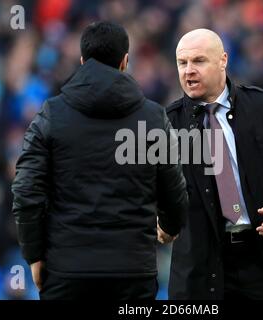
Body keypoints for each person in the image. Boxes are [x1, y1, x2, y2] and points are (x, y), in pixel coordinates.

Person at [11, 21, 188, 300]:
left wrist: (34, 255)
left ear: (82, 61)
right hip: (132, 272)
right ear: (125, 62)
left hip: (67, 271)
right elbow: (174, 190)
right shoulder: (153, 118)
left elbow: (26, 192)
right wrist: (169, 226)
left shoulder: (51, 114)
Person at [163, 29, 263, 299]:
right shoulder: (166, 123)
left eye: (198, 61)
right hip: (200, 273)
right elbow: (147, 188)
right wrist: (158, 217)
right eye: (182, 63)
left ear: (223, 60)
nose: (188, 71)